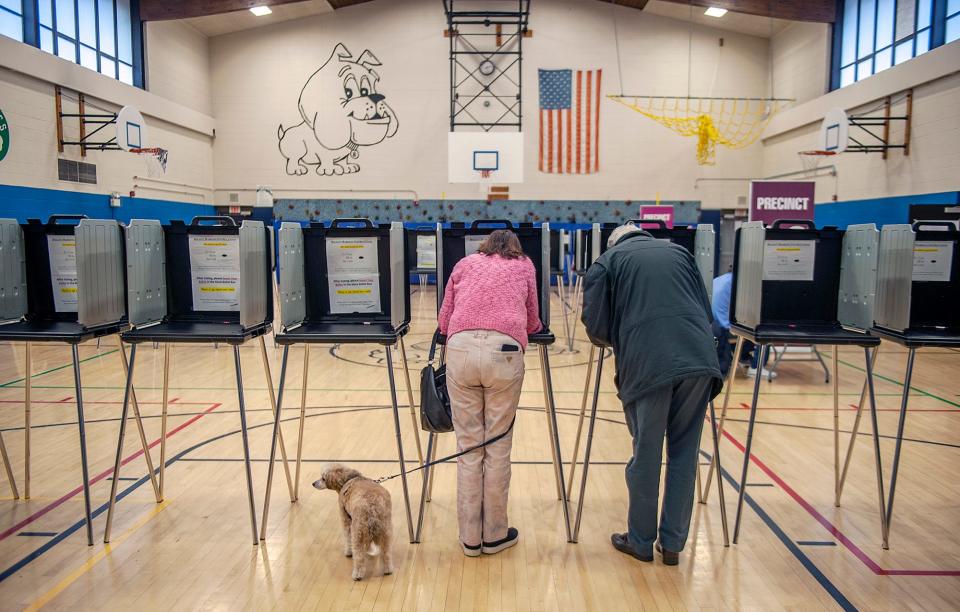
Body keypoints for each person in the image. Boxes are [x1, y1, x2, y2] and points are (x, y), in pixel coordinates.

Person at [581, 223, 722, 566]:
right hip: (699, 360)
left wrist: (626, 336)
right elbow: (706, 311)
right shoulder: (681, 253)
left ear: (614, 242)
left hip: (649, 364)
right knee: (685, 453)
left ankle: (641, 541)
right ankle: (673, 544)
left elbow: (596, 327)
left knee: (646, 452)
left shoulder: (607, 262)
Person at [437, 229, 541, 557]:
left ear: (483, 247)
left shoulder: (465, 263)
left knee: (468, 448)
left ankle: (470, 537)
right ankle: (495, 534)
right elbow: (533, 320)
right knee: (496, 447)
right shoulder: (524, 265)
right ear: (514, 248)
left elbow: (443, 321)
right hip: (505, 354)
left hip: (461, 350)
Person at [712, 271, 775, 380]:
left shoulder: (719, 279)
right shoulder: (739, 283)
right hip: (725, 328)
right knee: (764, 332)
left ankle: (743, 357)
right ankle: (755, 368)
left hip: (712, 326)